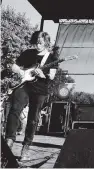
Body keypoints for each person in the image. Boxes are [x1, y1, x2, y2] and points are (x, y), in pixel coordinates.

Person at [5, 31, 58, 161]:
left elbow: (51, 76)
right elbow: (14, 66)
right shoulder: (28, 53)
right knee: (14, 109)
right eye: (37, 41)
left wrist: (42, 75)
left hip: (40, 89)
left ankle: (26, 145)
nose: (38, 44)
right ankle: (9, 141)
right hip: (25, 86)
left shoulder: (52, 58)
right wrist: (21, 72)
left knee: (33, 118)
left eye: (41, 42)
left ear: (46, 42)